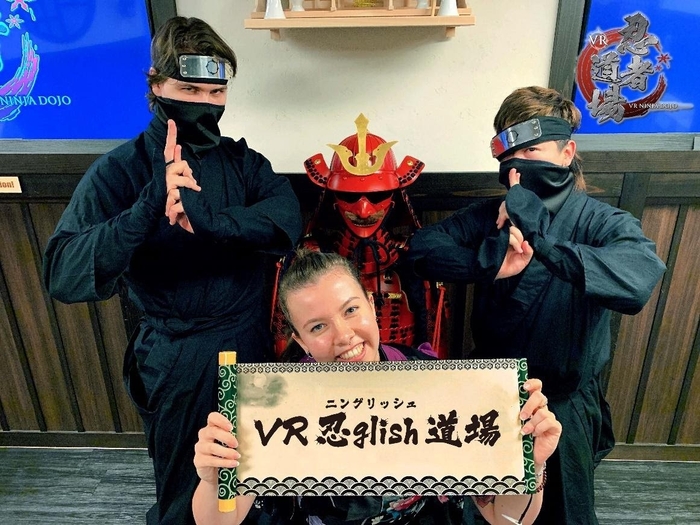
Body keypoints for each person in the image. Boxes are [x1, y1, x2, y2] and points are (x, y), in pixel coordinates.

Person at [42, 16, 302, 525]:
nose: (204, 103)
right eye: (189, 89)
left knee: (258, 482)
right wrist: (144, 210)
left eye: (215, 92)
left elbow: (285, 219)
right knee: (188, 489)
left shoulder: (244, 163)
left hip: (251, 346)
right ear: (156, 84)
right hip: (177, 358)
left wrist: (212, 221)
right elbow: (62, 272)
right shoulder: (120, 170)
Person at [406, 86, 667, 524]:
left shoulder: (600, 221)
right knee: (484, 514)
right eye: (510, 156)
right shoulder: (488, 217)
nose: (519, 166)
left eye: (532, 151)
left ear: (567, 153)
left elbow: (637, 278)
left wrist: (541, 241)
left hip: (562, 407)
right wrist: (489, 263)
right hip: (491, 398)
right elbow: (421, 250)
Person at [192, 250, 562, 525]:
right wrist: (213, 479)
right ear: (301, 341)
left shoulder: (435, 381)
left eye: (351, 310)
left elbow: (505, 518)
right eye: (318, 327)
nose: (343, 335)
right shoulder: (271, 403)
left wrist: (531, 462)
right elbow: (220, 520)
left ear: (371, 305)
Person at [271, 113, 448, 359]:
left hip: (400, 372)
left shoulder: (411, 256)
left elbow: (434, 331)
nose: (363, 210)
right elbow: (283, 333)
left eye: (376, 196)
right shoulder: (308, 255)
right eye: (350, 196)